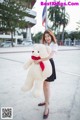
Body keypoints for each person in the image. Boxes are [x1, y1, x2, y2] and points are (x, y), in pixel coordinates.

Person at [35, 29, 58, 119]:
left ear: (51, 36)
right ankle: (45, 100)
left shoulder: (54, 45)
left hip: (49, 65)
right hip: (43, 65)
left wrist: (40, 60)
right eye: (45, 36)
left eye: (48, 36)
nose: (47, 38)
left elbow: (49, 56)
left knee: (47, 86)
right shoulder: (44, 45)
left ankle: (47, 107)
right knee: (44, 84)